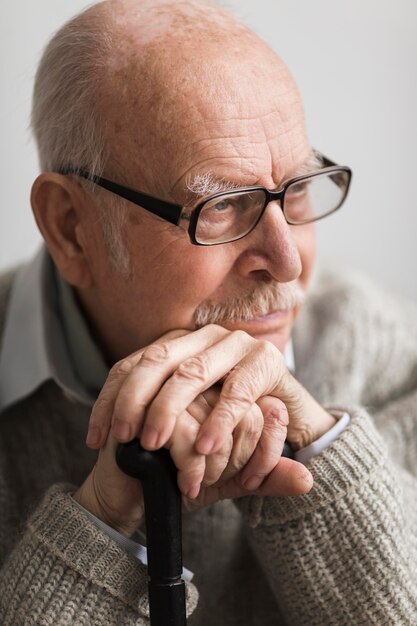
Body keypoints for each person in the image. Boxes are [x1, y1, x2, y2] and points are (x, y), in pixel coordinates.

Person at [0, 0, 416, 624]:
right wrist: (104, 522)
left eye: (297, 189)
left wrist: (319, 452)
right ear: (72, 230)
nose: (287, 260)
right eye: (221, 206)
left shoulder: (393, 358)